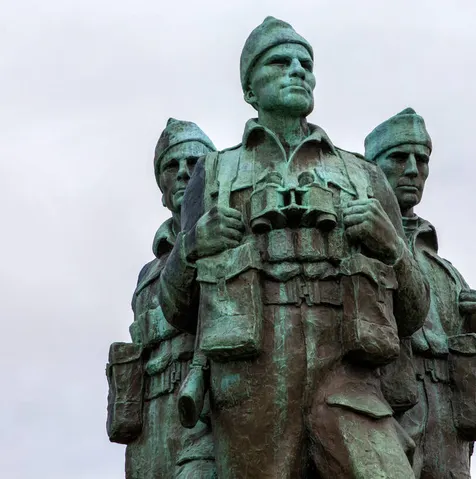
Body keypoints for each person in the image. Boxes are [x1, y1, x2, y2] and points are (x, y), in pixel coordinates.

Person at [158, 17, 430, 479]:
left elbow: (414, 311)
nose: (297, 70)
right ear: (250, 88)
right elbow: (175, 308)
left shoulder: (363, 176)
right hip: (250, 391)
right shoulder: (216, 173)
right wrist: (191, 250)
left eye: (306, 63)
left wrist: (394, 251)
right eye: (280, 62)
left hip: (349, 381)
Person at [365, 108, 476, 479]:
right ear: (372, 166)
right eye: (399, 157)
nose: (412, 170)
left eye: (421, 160)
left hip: (448, 419)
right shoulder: (359, 244)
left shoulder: (447, 272)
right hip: (389, 406)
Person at [106, 118, 217, 478]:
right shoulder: (147, 273)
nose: (184, 173)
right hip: (151, 417)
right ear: (162, 186)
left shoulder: (229, 236)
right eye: (172, 165)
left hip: (205, 407)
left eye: (194, 163)